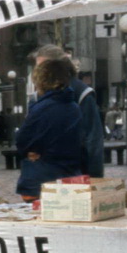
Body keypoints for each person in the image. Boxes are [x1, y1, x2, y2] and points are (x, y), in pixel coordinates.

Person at [31, 45, 104, 177]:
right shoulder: (37, 97)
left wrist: (94, 177)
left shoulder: (82, 94)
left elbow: (93, 139)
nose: (39, 72)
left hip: (76, 172)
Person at [15, 57, 82, 201]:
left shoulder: (42, 108)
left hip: (41, 179)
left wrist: (33, 152)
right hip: (70, 177)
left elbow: (22, 141)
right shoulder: (74, 107)